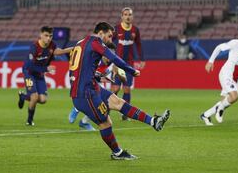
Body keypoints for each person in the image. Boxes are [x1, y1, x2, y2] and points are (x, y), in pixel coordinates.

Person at [69, 21, 170, 160]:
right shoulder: (96, 43)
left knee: (118, 102)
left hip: (91, 87)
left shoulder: (80, 42)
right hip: (85, 94)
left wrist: (95, 75)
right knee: (105, 122)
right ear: (100, 33)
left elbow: (77, 66)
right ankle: (117, 153)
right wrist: (131, 70)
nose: (110, 40)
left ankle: (153, 121)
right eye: (109, 36)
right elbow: (114, 58)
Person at [18, 26, 73, 126]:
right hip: (29, 72)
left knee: (43, 100)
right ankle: (29, 121)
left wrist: (73, 49)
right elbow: (30, 66)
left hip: (39, 74)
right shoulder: (34, 47)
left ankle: (23, 96)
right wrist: (46, 69)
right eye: (46, 35)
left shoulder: (52, 45)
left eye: (50, 36)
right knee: (34, 97)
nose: (48, 38)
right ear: (41, 35)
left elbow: (58, 51)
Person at [68, 43, 122, 131]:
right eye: (108, 55)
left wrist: (111, 77)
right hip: (84, 83)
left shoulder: (112, 63)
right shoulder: (95, 59)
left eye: (111, 55)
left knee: (102, 105)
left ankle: (84, 122)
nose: (109, 58)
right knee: (97, 102)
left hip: (95, 83)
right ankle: (77, 108)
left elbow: (106, 75)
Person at [112, 7, 145, 120]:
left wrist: (142, 59)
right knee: (115, 88)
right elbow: (109, 42)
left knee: (126, 89)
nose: (128, 16)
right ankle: (105, 109)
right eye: (125, 14)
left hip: (129, 64)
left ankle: (125, 113)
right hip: (118, 63)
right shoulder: (116, 29)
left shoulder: (135, 30)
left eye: (130, 14)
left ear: (132, 16)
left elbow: (139, 44)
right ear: (122, 16)